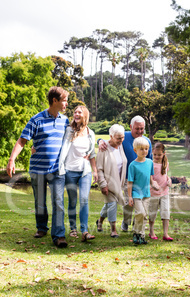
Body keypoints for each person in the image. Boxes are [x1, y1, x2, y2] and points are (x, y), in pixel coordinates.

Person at [6, 86, 69, 248]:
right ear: (54, 101)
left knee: (58, 201)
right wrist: (12, 159)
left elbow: (79, 134)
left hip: (57, 169)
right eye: (64, 100)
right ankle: (42, 227)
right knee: (40, 201)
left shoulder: (65, 121)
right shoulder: (36, 119)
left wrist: (100, 142)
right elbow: (22, 140)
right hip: (38, 169)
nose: (66, 104)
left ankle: (59, 235)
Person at [98, 116, 152, 232]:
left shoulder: (147, 141)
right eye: (137, 128)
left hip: (141, 180)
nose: (139, 131)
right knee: (127, 203)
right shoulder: (124, 136)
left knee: (140, 203)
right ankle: (125, 223)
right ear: (131, 127)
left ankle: (136, 225)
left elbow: (150, 161)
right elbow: (110, 138)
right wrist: (100, 141)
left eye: (142, 128)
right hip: (126, 177)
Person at [59, 105, 97, 242]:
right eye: (75, 112)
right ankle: (73, 228)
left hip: (85, 171)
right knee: (73, 201)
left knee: (84, 200)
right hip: (69, 170)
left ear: (84, 115)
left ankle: (85, 231)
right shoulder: (69, 130)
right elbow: (60, 145)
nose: (76, 114)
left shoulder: (90, 133)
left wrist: (95, 171)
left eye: (79, 112)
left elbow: (92, 154)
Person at [96, 124, 127, 238]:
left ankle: (99, 221)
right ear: (111, 136)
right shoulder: (103, 148)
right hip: (108, 183)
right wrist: (103, 184)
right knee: (112, 204)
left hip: (118, 182)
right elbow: (99, 169)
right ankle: (113, 230)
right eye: (118, 138)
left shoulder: (120, 146)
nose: (121, 140)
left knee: (108, 205)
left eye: (122, 137)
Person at [127, 137, 159, 245]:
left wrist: (154, 184)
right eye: (141, 149)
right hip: (136, 193)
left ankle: (140, 235)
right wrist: (130, 197)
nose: (144, 151)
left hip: (146, 194)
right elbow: (129, 182)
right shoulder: (132, 165)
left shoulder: (150, 163)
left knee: (144, 215)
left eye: (146, 149)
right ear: (135, 150)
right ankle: (137, 232)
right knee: (140, 212)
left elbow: (150, 178)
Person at [149, 142, 173, 241]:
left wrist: (169, 180)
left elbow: (166, 175)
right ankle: (151, 231)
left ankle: (165, 234)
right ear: (152, 153)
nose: (157, 156)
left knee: (165, 212)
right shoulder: (150, 164)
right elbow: (149, 177)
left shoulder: (166, 164)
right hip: (153, 193)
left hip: (164, 192)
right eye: (155, 155)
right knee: (152, 213)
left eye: (159, 154)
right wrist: (153, 183)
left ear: (164, 153)